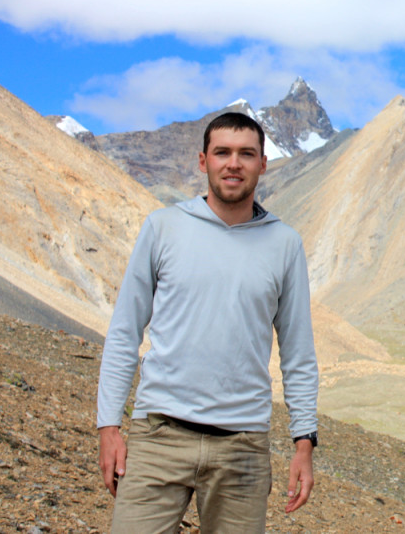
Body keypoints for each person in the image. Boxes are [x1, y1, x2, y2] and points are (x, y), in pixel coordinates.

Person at [96, 112, 319, 532]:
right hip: (158, 435)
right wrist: (108, 426)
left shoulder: (285, 244)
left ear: (263, 164)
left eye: (246, 154)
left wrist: (303, 441)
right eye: (222, 153)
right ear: (204, 161)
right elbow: (125, 331)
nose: (233, 163)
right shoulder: (163, 228)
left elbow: (298, 351)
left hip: (242, 448)